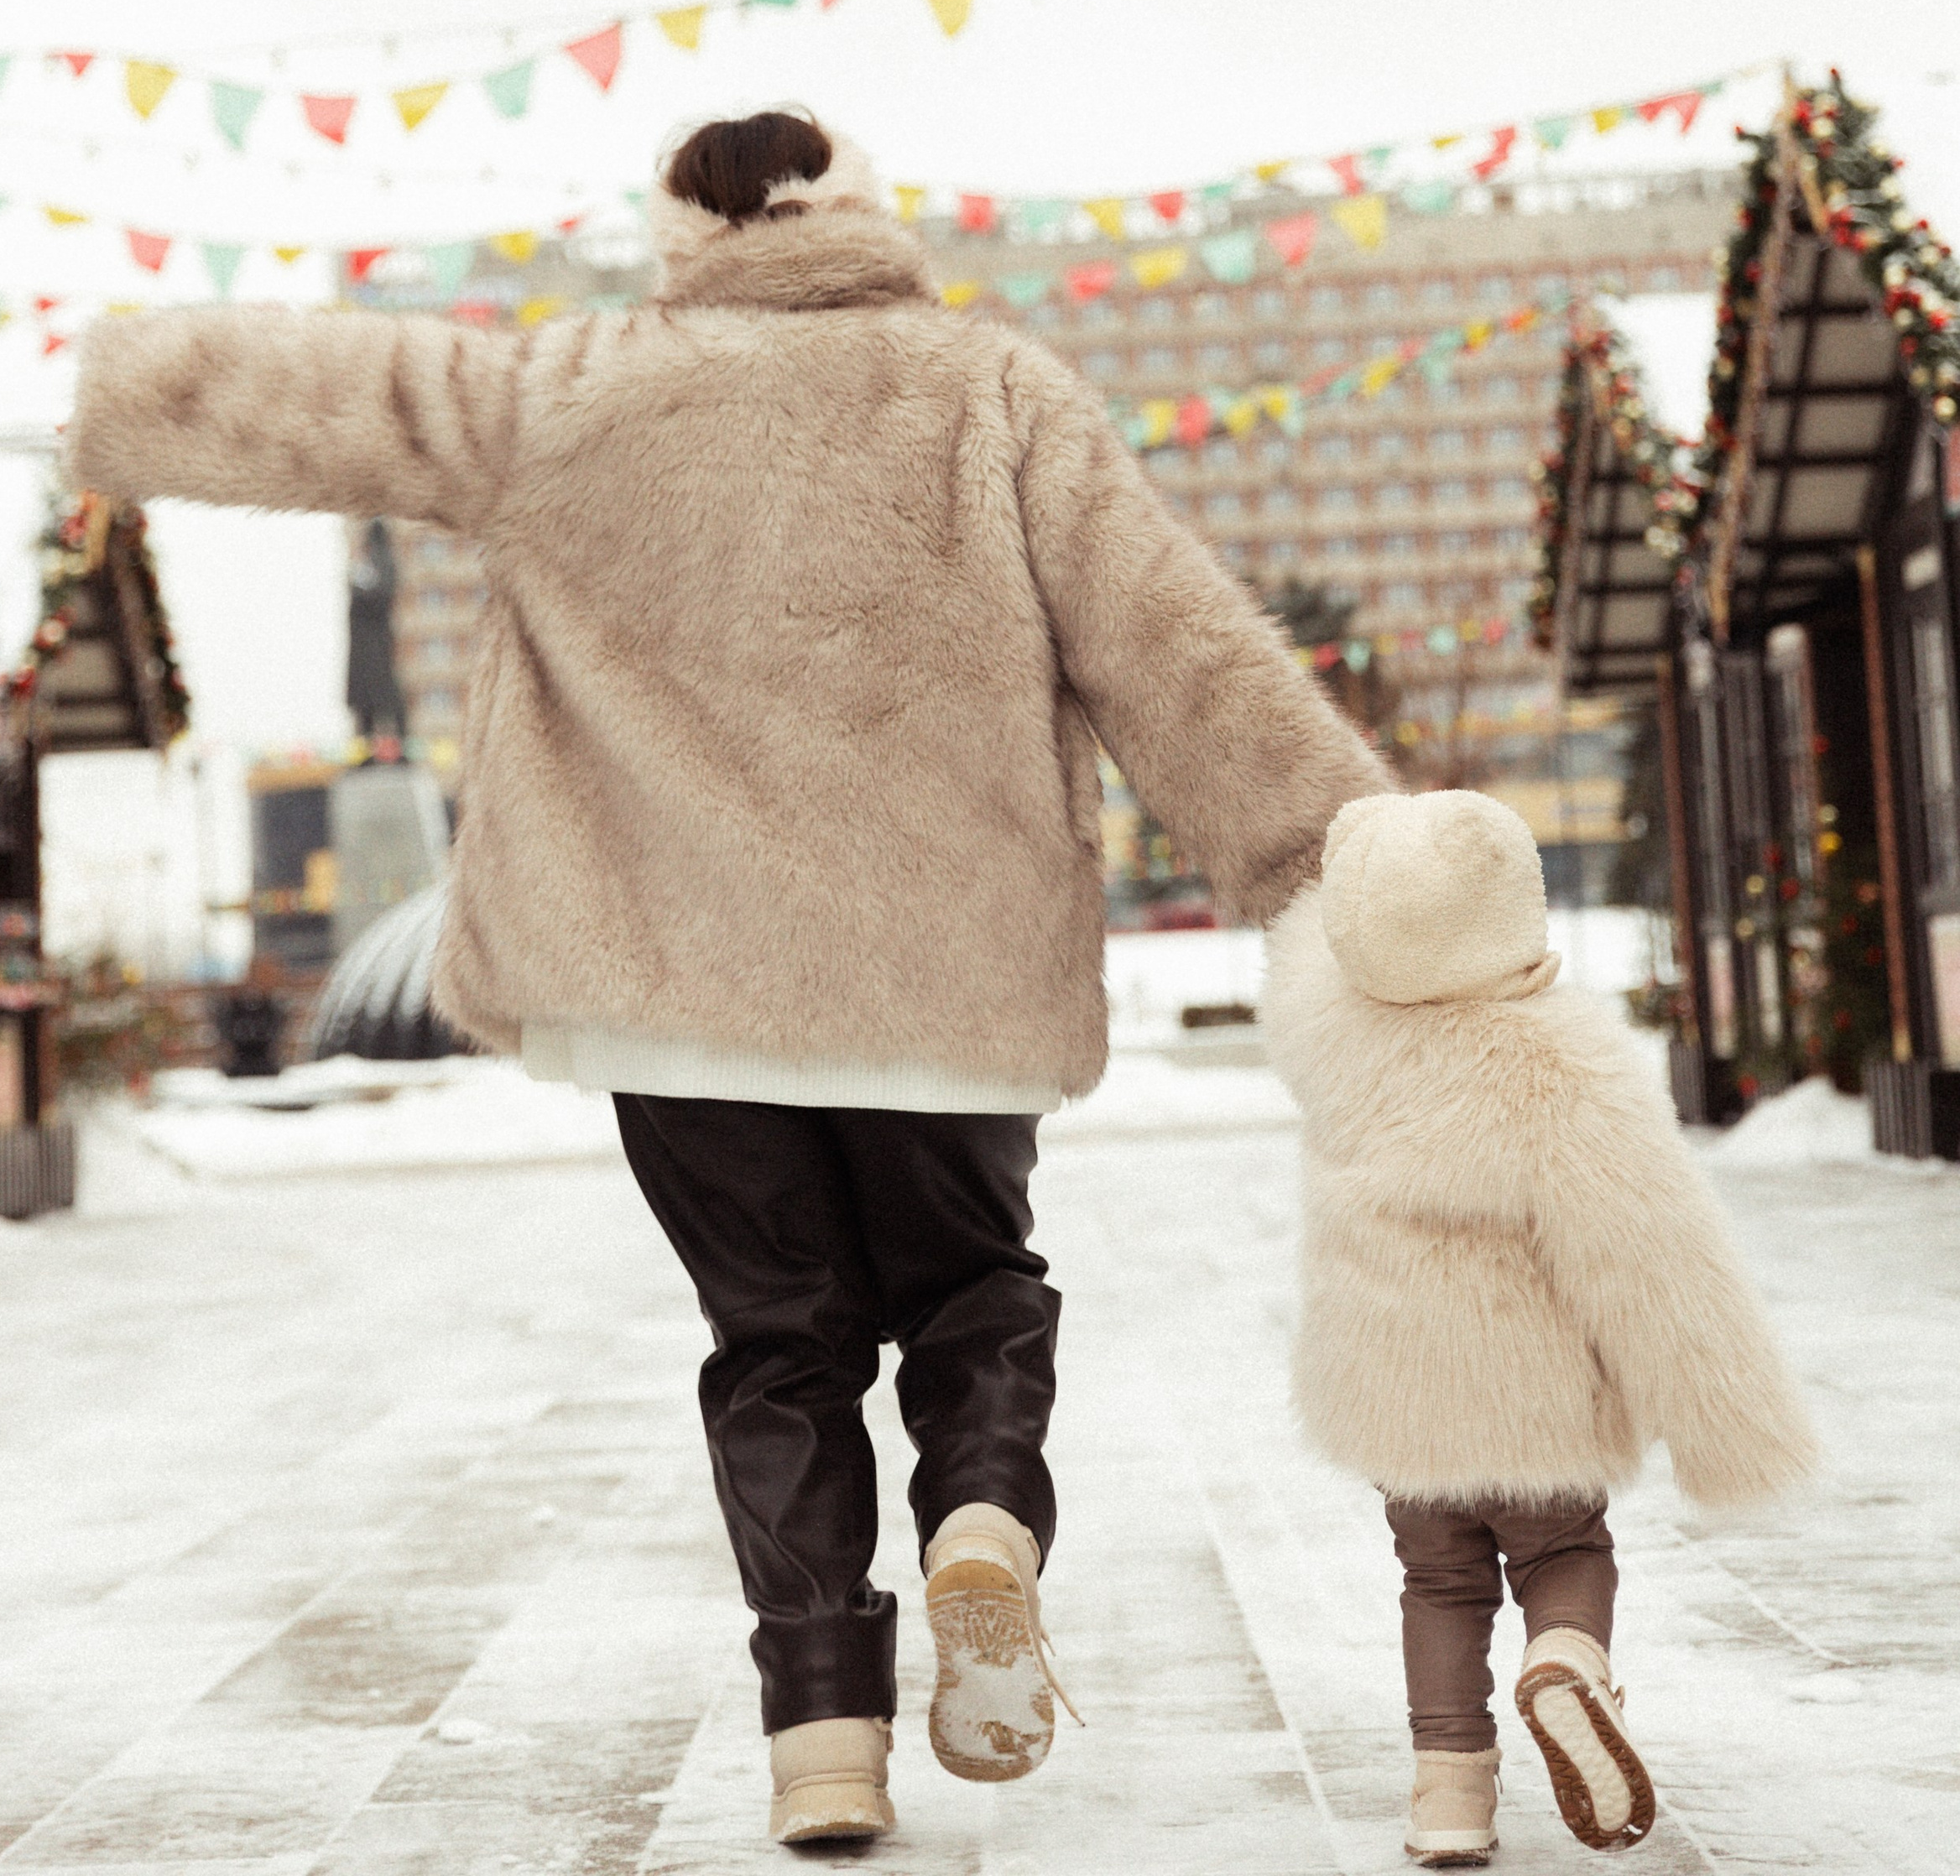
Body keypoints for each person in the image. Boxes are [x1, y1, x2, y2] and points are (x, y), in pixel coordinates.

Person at [67, 109, 1393, 1846]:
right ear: (858, 215)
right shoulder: (988, 393)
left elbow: (340, 390)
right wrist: (1337, 855)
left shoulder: (572, 387)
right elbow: (1169, 640)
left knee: (774, 1346)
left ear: (677, 234)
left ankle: (819, 1740)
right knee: (975, 1296)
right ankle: (981, 1518)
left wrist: (121, 382)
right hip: (941, 982)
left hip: (665, 976)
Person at [1262, 787, 1817, 1865]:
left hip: (1394, 1389)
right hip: (1534, 1393)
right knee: (1562, 1547)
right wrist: (1726, 1424)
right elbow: (1650, 1252)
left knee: (1437, 1581)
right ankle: (1563, 1659)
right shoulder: (1555, 1063)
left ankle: (1449, 1797)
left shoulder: (1328, 1035)